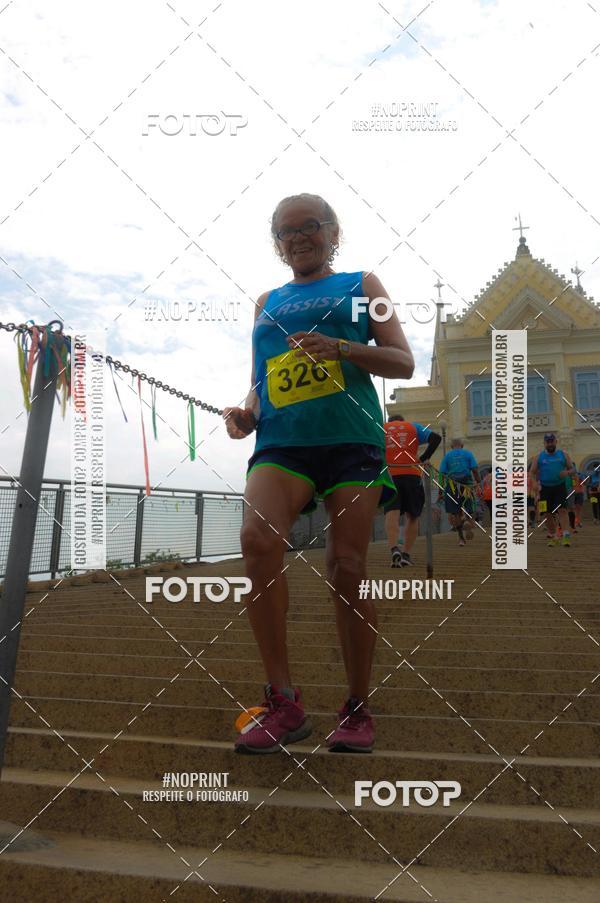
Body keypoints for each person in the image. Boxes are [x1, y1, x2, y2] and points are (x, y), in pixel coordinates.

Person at [223, 193, 414, 755]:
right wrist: (248, 412)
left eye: (311, 226)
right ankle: (283, 701)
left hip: (351, 441)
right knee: (257, 541)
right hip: (282, 443)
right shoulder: (266, 302)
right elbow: (261, 378)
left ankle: (357, 705)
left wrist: (341, 349)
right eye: (286, 231)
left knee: (347, 566)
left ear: (334, 232)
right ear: (277, 243)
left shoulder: (363, 284)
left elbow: (402, 360)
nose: (299, 236)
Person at [383, 415, 441, 567]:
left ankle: (394, 548)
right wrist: (422, 458)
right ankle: (406, 555)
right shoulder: (413, 426)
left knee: (392, 512)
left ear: (390, 421)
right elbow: (436, 438)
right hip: (412, 473)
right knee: (413, 515)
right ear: (402, 420)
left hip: (390, 474)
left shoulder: (382, 428)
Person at [530, 433, 574, 547]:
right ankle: (554, 535)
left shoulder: (563, 454)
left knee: (562, 510)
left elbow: (572, 469)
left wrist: (567, 472)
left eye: (552, 441)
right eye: (547, 442)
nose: (550, 443)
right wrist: (534, 483)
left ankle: (566, 536)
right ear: (544, 443)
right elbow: (532, 472)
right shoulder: (539, 457)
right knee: (546, 513)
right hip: (544, 489)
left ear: (556, 442)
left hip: (559, 487)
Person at [437, 439, 480, 545]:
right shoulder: (468, 454)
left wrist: (440, 491)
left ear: (451, 446)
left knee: (455, 512)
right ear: (462, 445)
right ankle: (467, 520)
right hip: (467, 484)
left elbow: (442, 474)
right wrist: (478, 483)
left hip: (452, 485)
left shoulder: (447, 456)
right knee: (470, 507)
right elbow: (474, 469)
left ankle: (461, 539)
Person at [526, 463, 538, 528]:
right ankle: (531, 522)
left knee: (529, 509)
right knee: (531, 508)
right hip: (531, 494)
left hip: (528, 494)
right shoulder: (532, 476)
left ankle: (530, 522)